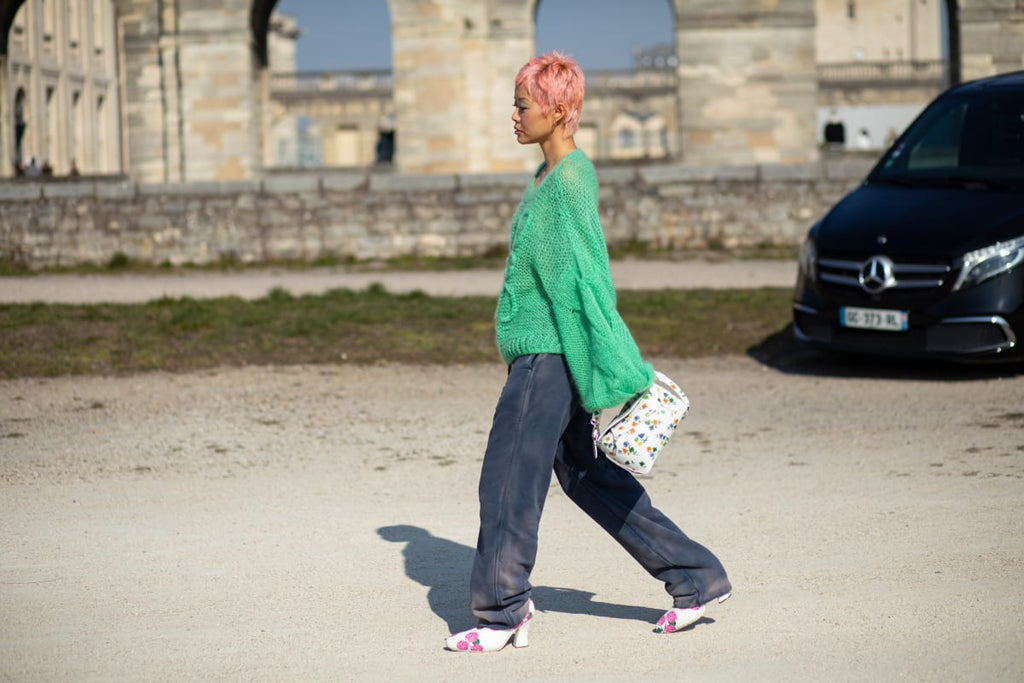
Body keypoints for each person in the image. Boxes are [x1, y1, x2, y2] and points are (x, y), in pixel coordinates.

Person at [444, 52, 732, 654]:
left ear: (557, 110)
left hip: (549, 359)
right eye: (515, 104)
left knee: (508, 481)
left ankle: (500, 611)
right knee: (585, 477)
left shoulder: (569, 181)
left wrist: (616, 372)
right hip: (550, 356)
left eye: (523, 105)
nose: (515, 116)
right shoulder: (549, 178)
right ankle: (696, 577)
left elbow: (587, 286)